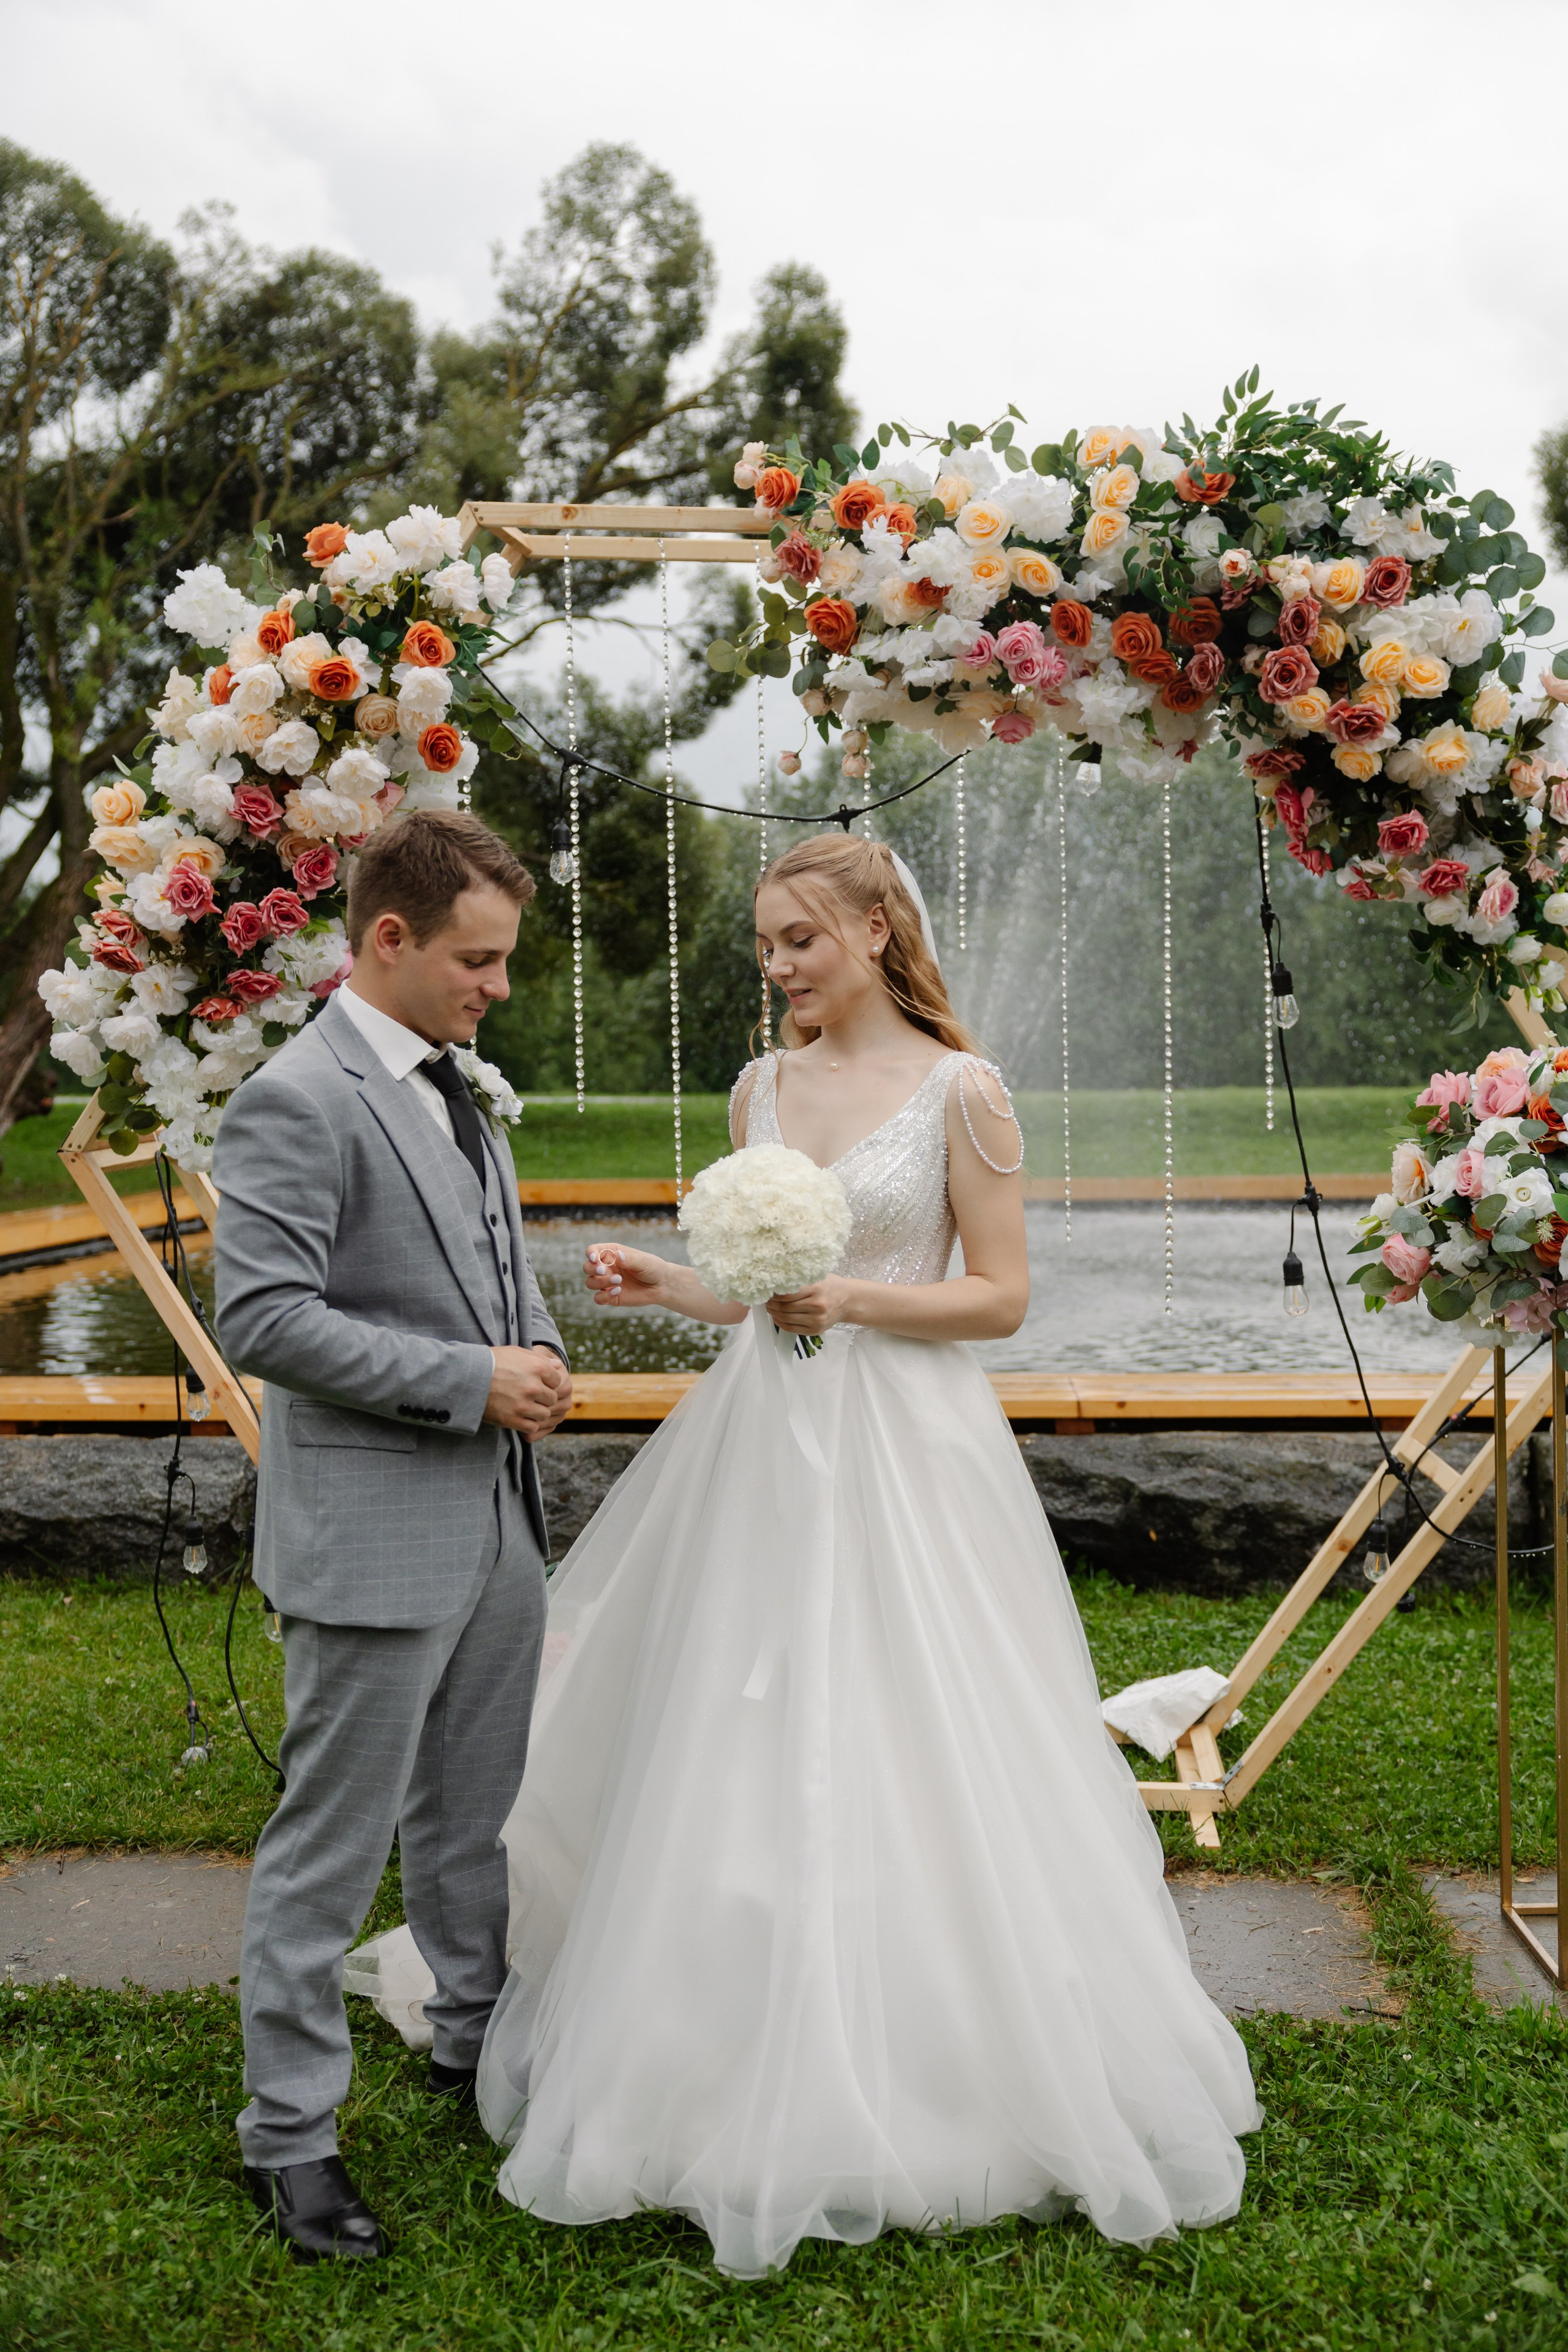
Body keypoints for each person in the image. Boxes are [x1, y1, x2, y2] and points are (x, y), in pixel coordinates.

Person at [475, 832, 1259, 2277]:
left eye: (799, 942)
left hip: (911, 1453)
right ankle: (716, 2033)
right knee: (742, 1717)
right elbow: (759, 1301)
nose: (776, 968)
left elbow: (1000, 1298)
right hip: (762, 1452)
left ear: (879, 931)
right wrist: (671, 1283)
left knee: (922, 1715)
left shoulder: (965, 1092)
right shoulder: (759, 1087)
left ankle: (953, 2054)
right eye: (764, 944)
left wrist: (855, 1297)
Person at [214, 810, 572, 2263]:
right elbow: (263, 1320)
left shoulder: (452, 1085)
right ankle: (289, 2138)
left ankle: (471, 2040)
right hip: (370, 1528)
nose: (495, 985)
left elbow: (488, 1259)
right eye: (476, 961)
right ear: (388, 941)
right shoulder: (297, 1097)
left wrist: (532, 1346)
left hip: (495, 1521)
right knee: (331, 1847)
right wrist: (465, 1381)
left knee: (468, 1813)